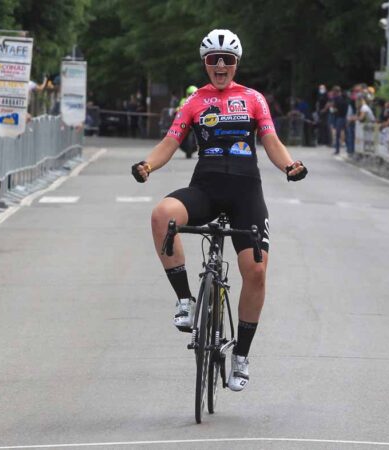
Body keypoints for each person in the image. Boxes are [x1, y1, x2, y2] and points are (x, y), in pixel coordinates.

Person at [131, 29, 307, 392]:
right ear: (206, 64)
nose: (221, 65)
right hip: (205, 190)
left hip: (246, 193)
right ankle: (185, 300)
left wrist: (290, 166)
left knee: (256, 272)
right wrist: (147, 165)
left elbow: (271, 141)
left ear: (236, 64)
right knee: (162, 215)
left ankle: (241, 355)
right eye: (214, 60)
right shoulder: (195, 101)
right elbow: (170, 142)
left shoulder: (253, 99)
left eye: (228, 60)